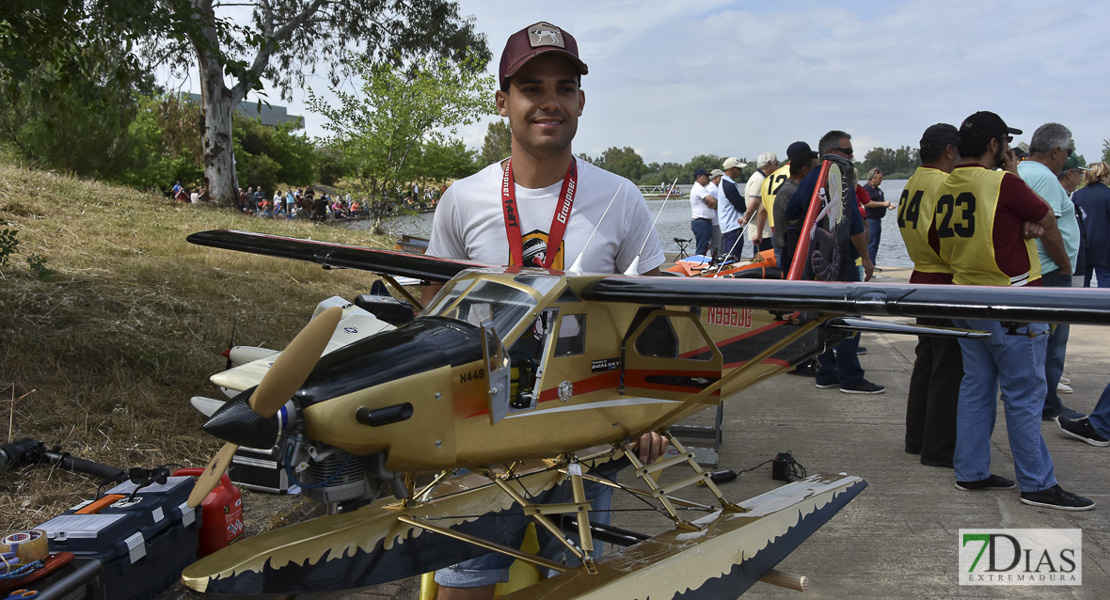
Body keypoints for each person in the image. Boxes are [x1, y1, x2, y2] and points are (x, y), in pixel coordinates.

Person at [422, 22, 668, 598]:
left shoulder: (621, 196)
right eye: (531, 87)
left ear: (581, 101)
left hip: (585, 432)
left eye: (563, 87)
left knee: (576, 583)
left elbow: (656, 318)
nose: (548, 102)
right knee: (466, 584)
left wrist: (653, 415)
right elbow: (433, 319)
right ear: (503, 100)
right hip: (479, 435)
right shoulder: (462, 199)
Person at [939, 111, 1091, 511]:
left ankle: (971, 471)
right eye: (1005, 143)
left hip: (964, 296)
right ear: (995, 145)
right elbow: (1046, 219)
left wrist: (1013, 226)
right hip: (1010, 301)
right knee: (1026, 392)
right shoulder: (1004, 182)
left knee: (976, 386)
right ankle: (1037, 483)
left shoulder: (948, 183)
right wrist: (1066, 268)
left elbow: (940, 241)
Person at [784, 130, 884, 395]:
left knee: (821, 317)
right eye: (848, 152)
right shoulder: (841, 177)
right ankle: (850, 376)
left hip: (818, 263)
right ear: (833, 152)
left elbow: (791, 210)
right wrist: (866, 257)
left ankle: (826, 371)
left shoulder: (813, 178)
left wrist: (814, 225)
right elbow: (853, 224)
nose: (852, 156)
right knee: (849, 317)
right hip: (841, 262)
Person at [897, 123, 962, 468]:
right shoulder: (945, 183)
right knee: (947, 367)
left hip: (921, 274)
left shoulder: (914, 180)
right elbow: (944, 233)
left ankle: (916, 437)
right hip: (943, 276)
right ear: (950, 151)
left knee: (926, 361)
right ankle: (938, 447)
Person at [1016, 123, 1082, 422]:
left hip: (1032, 269)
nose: (1067, 158)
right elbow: (1049, 228)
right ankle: (1048, 404)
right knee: (1053, 344)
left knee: (1033, 340)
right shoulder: (1043, 177)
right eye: (1067, 152)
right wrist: (1065, 265)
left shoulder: (1019, 171)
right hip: (1051, 270)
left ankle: (1036, 396)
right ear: (1055, 150)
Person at [772, 142, 819, 269]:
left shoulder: (793, 188)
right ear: (805, 170)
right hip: (788, 249)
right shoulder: (791, 192)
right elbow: (799, 221)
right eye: (815, 170)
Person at [1072, 162, 1110, 288]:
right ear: (1102, 176)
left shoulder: (1077, 195)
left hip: (1082, 244)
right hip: (1105, 245)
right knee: (1105, 278)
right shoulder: (1107, 195)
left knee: (1084, 280)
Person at [741, 153, 776, 258]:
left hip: (763, 230)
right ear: (769, 164)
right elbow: (753, 204)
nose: (777, 167)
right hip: (762, 231)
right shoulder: (759, 180)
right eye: (776, 164)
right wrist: (745, 218)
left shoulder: (761, 178)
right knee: (763, 259)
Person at [861, 167, 894, 265]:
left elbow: (878, 202)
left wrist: (888, 206)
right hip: (871, 220)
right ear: (872, 178)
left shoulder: (877, 190)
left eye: (881, 178)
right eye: (879, 178)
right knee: (871, 243)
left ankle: (872, 263)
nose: (881, 180)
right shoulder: (866, 189)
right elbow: (867, 203)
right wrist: (883, 204)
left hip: (877, 220)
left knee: (875, 243)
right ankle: (870, 264)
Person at [718, 158, 747, 260]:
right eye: (738, 168)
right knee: (732, 259)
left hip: (727, 226)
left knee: (728, 257)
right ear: (731, 169)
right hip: (733, 227)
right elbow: (741, 206)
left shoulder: (724, 182)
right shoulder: (728, 185)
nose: (740, 171)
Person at [689, 168, 716, 257]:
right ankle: (698, 266)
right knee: (702, 247)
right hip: (701, 222)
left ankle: (700, 264)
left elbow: (713, 203)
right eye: (706, 176)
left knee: (704, 247)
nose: (708, 178)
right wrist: (713, 203)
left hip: (704, 222)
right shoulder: (698, 188)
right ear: (699, 177)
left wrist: (713, 204)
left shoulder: (702, 188)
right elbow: (713, 201)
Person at [707, 169, 724, 259]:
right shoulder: (711, 190)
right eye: (721, 177)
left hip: (719, 221)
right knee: (716, 245)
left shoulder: (716, 189)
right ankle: (715, 261)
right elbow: (712, 204)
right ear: (716, 178)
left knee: (719, 244)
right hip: (715, 222)